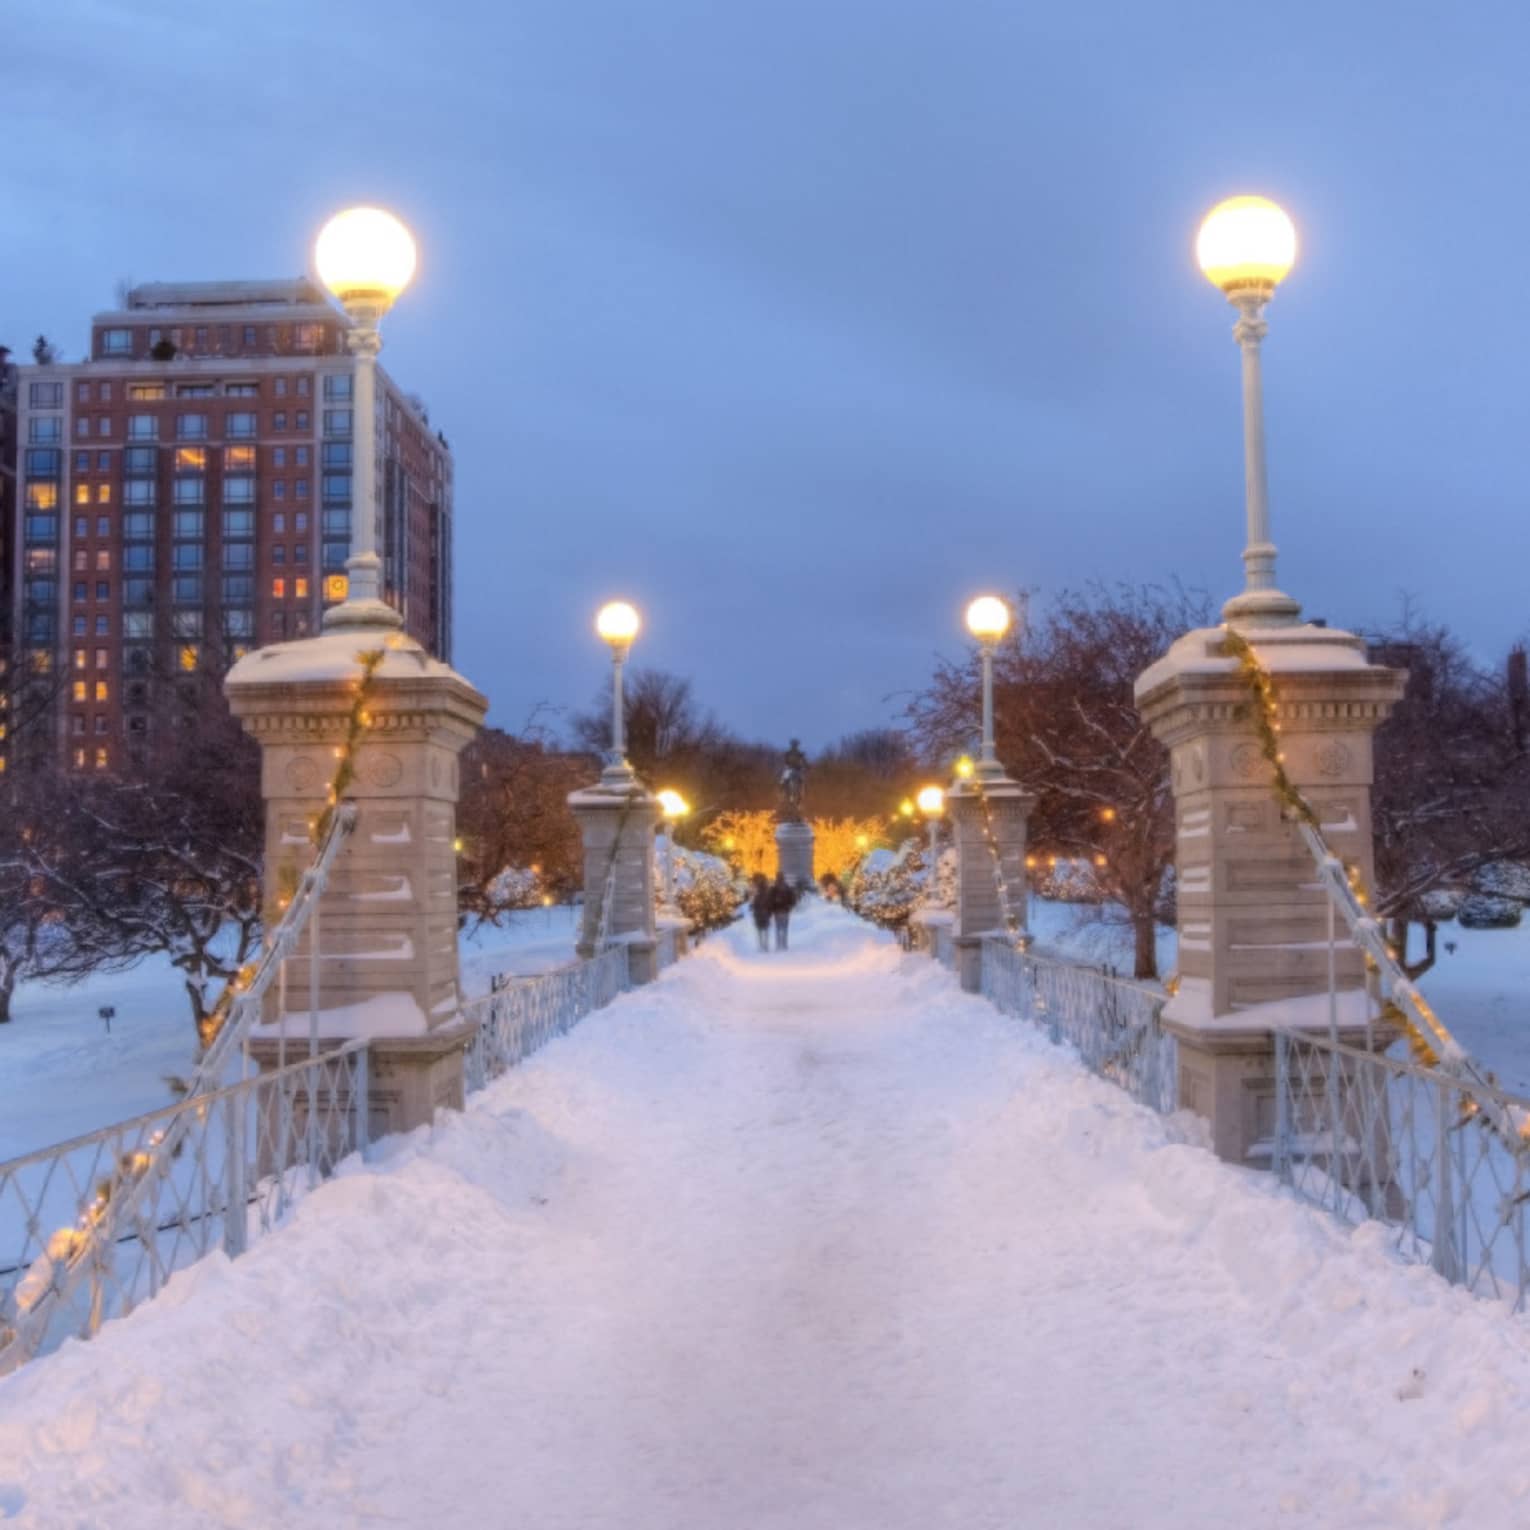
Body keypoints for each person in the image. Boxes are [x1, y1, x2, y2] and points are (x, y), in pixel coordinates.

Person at [770, 872, 798, 952]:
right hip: (785, 910)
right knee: (785, 928)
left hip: (777, 911)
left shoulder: (774, 888)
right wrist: (790, 906)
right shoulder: (787, 887)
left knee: (778, 928)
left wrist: (772, 909)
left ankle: (778, 944)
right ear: (783, 878)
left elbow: (770, 900)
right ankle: (784, 944)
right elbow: (793, 898)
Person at [749, 873, 773, 952]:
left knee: (759, 931)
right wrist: (770, 912)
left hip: (758, 914)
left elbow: (754, 904)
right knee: (765, 930)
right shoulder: (767, 892)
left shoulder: (757, 893)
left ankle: (761, 945)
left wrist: (753, 909)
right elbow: (770, 903)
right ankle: (766, 945)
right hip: (765, 914)